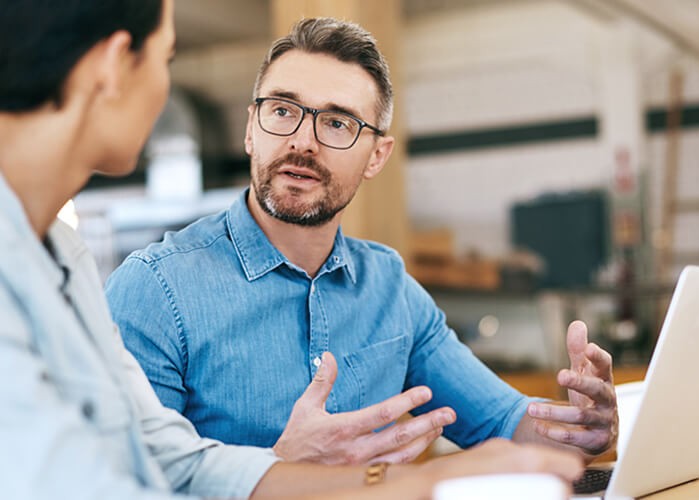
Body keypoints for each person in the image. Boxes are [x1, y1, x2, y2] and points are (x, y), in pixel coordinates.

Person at [0, 1, 586, 498]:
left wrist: (581, 425)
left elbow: (169, 454)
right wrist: (365, 476)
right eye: (283, 111)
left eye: (337, 124)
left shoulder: (63, 254)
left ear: (377, 155)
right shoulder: (152, 287)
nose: (303, 140)